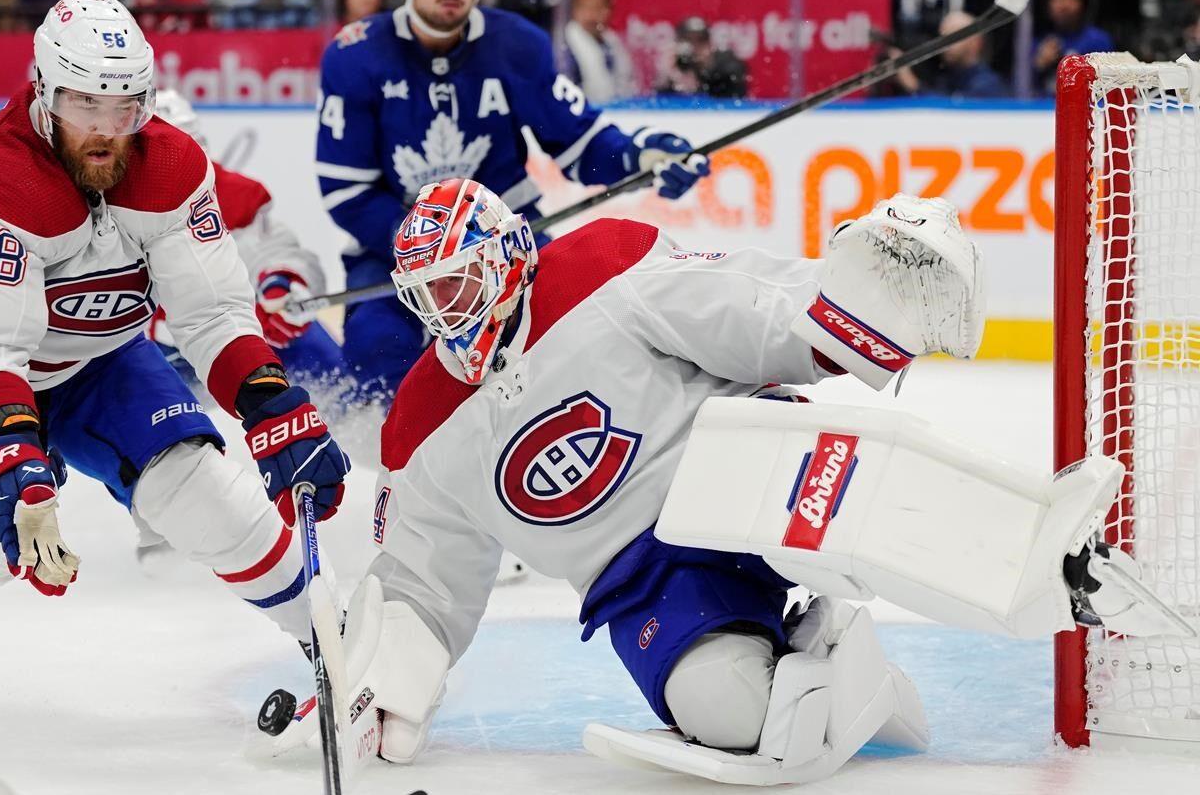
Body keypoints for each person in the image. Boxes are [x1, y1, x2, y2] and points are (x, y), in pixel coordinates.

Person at [304, 179, 1181, 781]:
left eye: (460, 282)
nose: (446, 311)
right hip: (644, 577)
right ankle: (841, 670)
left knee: (879, 510)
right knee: (727, 713)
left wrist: (841, 314)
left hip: (735, 464)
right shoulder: (420, 425)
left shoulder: (597, 267)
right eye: (427, 294)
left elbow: (731, 305)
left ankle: (1054, 567)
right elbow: (422, 581)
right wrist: (384, 684)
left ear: (505, 256)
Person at [0, 0, 349, 670]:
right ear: (43, 92)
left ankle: (337, 645)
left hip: (97, 358)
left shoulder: (173, 168)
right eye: (85, 105)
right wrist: (10, 450)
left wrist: (271, 400)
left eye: (126, 108)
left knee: (203, 492)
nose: (106, 131)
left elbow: (210, 313)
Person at [315, 0, 710, 404]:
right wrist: (428, 247)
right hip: (395, 252)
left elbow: (577, 140)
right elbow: (347, 191)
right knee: (377, 354)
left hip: (503, 243)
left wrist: (638, 156)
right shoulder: (355, 54)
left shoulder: (517, 44)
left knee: (579, 329)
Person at [146, 90, 346, 392]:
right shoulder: (100, 210)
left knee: (299, 336)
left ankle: (356, 416)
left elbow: (270, 249)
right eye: (161, 162)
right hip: (152, 355)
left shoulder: (230, 196)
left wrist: (281, 280)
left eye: (186, 156)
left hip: (228, 339)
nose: (174, 174)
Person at [891, 10, 1008, 98]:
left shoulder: (987, 84)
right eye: (943, 37)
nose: (945, 45)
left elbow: (955, 115)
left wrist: (913, 86)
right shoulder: (944, 79)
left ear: (975, 42)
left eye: (953, 37)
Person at [1032, 0, 1114, 95]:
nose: (1063, 4)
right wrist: (1038, 64)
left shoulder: (1098, 41)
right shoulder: (1037, 40)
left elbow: (1109, 91)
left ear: (1084, 2)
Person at [563, 0, 637, 103]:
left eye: (597, 8)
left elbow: (627, 83)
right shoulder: (564, 46)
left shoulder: (612, 42)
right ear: (574, 12)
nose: (591, 14)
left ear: (608, 12)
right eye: (585, 8)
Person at [655, 17, 748, 99]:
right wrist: (667, 76)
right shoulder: (675, 65)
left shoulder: (727, 64)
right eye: (688, 40)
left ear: (710, 44)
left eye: (701, 40)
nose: (694, 46)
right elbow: (661, 104)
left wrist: (706, 70)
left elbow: (734, 96)